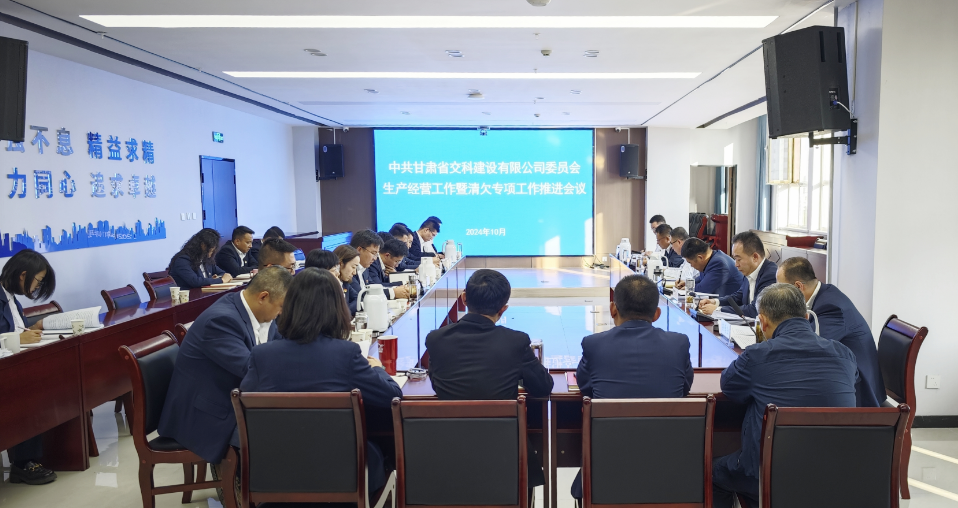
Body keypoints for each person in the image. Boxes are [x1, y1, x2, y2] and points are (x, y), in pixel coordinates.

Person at [240, 268, 402, 494]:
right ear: (336, 309)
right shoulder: (346, 353)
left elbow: (247, 407)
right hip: (342, 471)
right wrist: (379, 369)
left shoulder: (262, 355)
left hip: (275, 470)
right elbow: (392, 396)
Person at [712, 284, 858, 508]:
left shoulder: (758, 355)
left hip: (768, 475)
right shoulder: (844, 354)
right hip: (834, 474)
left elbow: (729, 387)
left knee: (714, 472)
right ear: (807, 317)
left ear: (763, 322)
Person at [425, 269, 554, 493]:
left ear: (464, 299)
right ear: (503, 309)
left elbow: (438, 385)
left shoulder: (436, 339)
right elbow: (543, 387)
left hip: (447, 457)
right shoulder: (515, 341)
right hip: (505, 458)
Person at [571, 274, 694, 499]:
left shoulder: (594, 344)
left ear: (613, 309)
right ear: (657, 314)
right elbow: (684, 389)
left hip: (607, 471)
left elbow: (586, 388)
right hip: (670, 472)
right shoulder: (678, 343)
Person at [158, 267, 293, 467]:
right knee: (282, 432)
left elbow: (281, 349)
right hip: (206, 416)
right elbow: (252, 371)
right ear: (263, 297)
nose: (281, 313)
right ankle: (254, 484)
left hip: (229, 396)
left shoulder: (254, 310)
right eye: (281, 307)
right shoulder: (221, 321)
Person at [777, 257, 886, 407]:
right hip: (840, 374)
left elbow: (807, 346)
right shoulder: (822, 295)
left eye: (781, 289)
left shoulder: (832, 307)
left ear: (798, 287)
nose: (778, 294)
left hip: (858, 390)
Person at [0, 249, 57, 485]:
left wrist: (32, 329)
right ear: (23, 275)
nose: (37, 287)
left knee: (46, 382)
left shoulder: (12, 300)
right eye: (38, 281)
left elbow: (15, 331)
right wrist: (18, 339)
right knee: (30, 392)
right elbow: (11, 337)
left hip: (15, 367)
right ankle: (24, 462)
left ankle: (29, 460)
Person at [698, 232, 777, 318]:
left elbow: (756, 310)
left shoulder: (770, 275)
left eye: (738, 259)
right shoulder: (749, 271)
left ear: (755, 257)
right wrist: (715, 302)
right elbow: (738, 297)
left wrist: (718, 309)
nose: (736, 264)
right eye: (735, 259)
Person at [366, 234, 411, 299]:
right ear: (387, 255)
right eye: (396, 261)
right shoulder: (373, 263)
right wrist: (402, 283)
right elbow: (377, 285)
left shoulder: (384, 264)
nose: (397, 265)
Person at [348, 229, 384, 295]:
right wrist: (393, 292)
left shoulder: (364, 267)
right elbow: (360, 295)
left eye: (377, 254)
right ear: (359, 250)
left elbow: (373, 286)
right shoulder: (349, 270)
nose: (375, 258)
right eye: (373, 253)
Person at [334, 245, 362, 315]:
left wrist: (345, 311)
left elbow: (358, 298)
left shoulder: (345, 283)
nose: (354, 272)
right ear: (340, 264)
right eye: (353, 267)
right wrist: (345, 313)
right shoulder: (327, 285)